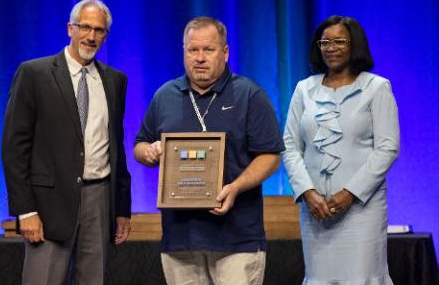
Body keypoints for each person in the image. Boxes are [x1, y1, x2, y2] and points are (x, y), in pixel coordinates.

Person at [134, 16, 284, 284]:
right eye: (193, 50)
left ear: (224, 53)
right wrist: (150, 152)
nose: (200, 57)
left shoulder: (249, 95)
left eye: (208, 49)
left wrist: (235, 186)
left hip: (237, 240)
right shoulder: (165, 95)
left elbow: (271, 156)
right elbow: (140, 145)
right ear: (184, 52)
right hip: (180, 240)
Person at [2, 0, 132, 284]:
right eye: (84, 27)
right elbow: (14, 147)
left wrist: (122, 209)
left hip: (99, 201)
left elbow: (116, 148)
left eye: (99, 30)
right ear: (70, 28)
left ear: (106, 35)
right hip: (48, 206)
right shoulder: (34, 73)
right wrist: (26, 210)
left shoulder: (115, 80)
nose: (91, 36)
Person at [281, 15, 400, 284]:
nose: (330, 48)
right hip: (316, 211)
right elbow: (289, 146)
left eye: (339, 41)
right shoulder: (304, 89)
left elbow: (388, 148)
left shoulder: (376, 88)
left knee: (362, 277)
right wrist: (307, 192)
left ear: (354, 44)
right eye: (325, 42)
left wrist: (351, 193)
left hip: (361, 210)